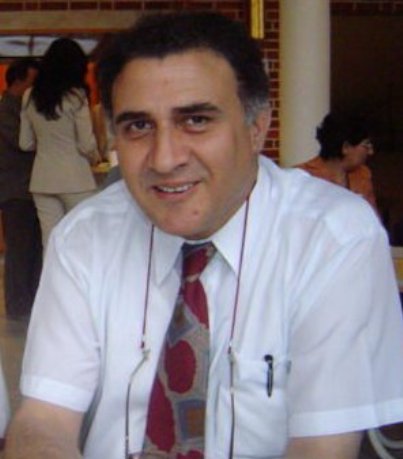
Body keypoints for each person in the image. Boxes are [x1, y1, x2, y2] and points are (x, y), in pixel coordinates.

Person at [5, 12, 403, 459]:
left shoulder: (332, 238)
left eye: (195, 120)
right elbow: (43, 421)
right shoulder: (85, 237)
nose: (165, 158)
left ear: (257, 127)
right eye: (139, 126)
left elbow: (323, 448)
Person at [19, 38, 100, 250]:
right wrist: (96, 157)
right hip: (76, 178)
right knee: (81, 239)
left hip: (42, 179)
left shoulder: (29, 96)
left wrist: (48, 143)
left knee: (50, 241)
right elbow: (86, 144)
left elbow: (25, 143)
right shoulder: (77, 96)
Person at [0, 57, 42, 319]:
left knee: (34, 249)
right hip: (16, 190)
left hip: (31, 188)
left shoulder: (25, 108)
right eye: (32, 82)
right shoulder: (6, 110)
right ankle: (18, 307)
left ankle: (31, 304)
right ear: (18, 81)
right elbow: (22, 143)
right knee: (19, 251)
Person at [296, 111, 377, 211]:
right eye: (367, 145)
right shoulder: (302, 176)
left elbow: (371, 216)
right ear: (346, 147)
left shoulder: (362, 175)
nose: (370, 152)